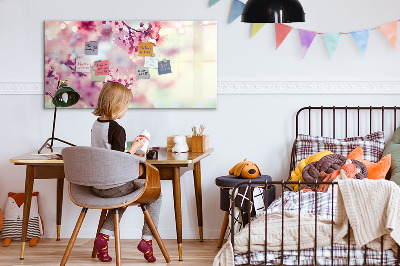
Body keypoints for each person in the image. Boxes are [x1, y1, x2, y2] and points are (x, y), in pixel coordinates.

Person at [91, 81, 161, 263]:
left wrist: (131, 150)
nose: (126, 110)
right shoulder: (117, 129)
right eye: (126, 106)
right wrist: (135, 149)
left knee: (122, 197)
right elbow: (118, 161)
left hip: (97, 186)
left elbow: (108, 154)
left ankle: (103, 238)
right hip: (113, 186)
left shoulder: (96, 125)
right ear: (117, 105)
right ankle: (147, 240)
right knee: (156, 194)